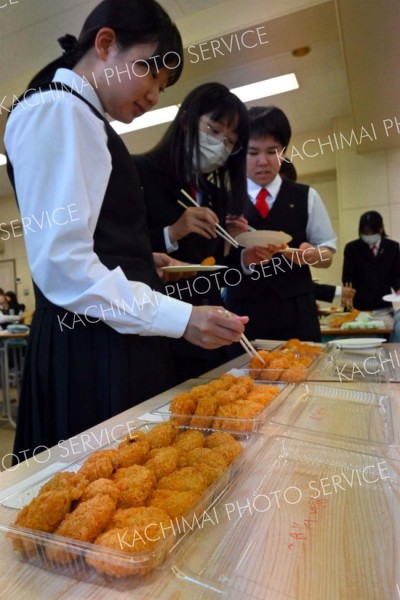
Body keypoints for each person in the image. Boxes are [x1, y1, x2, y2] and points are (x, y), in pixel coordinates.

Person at [4, 0, 248, 462]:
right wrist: (183, 318)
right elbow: (63, 267)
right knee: (103, 498)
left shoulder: (81, 115)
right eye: (149, 75)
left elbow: (94, 239)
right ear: (105, 44)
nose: (155, 95)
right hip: (92, 349)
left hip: (110, 340)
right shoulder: (58, 110)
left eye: (163, 86)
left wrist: (142, 257)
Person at [134, 83, 269, 381]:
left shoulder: (214, 195)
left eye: (231, 141)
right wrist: (172, 233)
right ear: (186, 121)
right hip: (164, 336)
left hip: (212, 335)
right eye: (214, 129)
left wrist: (243, 259)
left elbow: (213, 273)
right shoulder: (139, 172)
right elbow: (125, 253)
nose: (221, 145)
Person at [225, 106, 337, 345]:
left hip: (297, 311)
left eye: (272, 151)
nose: (263, 161)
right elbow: (214, 262)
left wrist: (312, 255)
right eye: (253, 152)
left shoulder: (306, 196)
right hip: (243, 312)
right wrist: (243, 258)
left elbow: (328, 254)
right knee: (242, 379)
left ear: (284, 151)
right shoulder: (225, 198)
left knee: (304, 376)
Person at [342, 211, 400, 310]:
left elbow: (396, 275)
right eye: (365, 233)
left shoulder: (392, 247)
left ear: (381, 228)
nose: (369, 236)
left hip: (384, 304)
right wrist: (347, 295)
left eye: (372, 232)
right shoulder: (352, 248)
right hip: (359, 305)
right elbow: (348, 278)